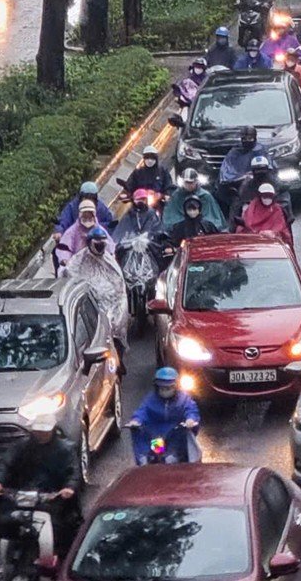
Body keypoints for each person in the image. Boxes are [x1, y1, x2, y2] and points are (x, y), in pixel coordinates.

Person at [0, 414, 82, 558]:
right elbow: (5, 464)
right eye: (38, 431)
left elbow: (73, 472)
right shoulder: (21, 447)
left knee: (65, 530)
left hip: (53, 497)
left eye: (44, 431)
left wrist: (69, 488)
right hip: (22, 494)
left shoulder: (66, 450)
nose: (41, 434)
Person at [60, 226, 130, 357]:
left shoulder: (109, 260)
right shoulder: (79, 260)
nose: (100, 247)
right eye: (97, 244)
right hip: (91, 308)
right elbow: (70, 276)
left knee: (116, 339)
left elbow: (119, 283)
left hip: (112, 307)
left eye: (102, 244)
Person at [128, 367, 201, 464]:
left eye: (168, 388)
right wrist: (136, 421)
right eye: (162, 388)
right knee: (154, 457)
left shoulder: (183, 399)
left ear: (176, 387)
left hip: (176, 436)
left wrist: (190, 419)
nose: (164, 391)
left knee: (173, 458)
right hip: (156, 436)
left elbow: (191, 409)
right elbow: (142, 411)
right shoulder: (151, 399)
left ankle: (176, 460)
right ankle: (148, 461)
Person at [54, 185, 113, 271]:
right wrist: (65, 260)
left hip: (98, 266)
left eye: (90, 215)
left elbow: (110, 247)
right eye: (84, 215)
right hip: (77, 267)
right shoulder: (72, 231)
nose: (87, 218)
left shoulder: (100, 230)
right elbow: (64, 247)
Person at [235, 181, 294, 246]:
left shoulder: (277, 209)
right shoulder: (252, 207)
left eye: (270, 196)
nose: (267, 199)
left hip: (274, 241)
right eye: (265, 196)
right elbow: (248, 223)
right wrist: (258, 233)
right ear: (260, 196)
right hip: (253, 240)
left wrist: (272, 233)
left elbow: (280, 225)